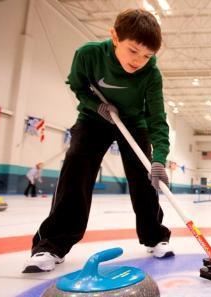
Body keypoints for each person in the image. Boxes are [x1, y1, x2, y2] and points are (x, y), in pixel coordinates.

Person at [23, 8, 173, 273]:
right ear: (115, 37)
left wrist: (159, 158)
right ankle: (52, 244)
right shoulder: (88, 54)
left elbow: (157, 120)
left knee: (144, 177)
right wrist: (95, 105)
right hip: (93, 119)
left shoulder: (151, 74)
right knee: (76, 167)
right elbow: (77, 85)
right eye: (133, 50)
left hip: (134, 123)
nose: (139, 60)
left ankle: (155, 236)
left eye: (148, 55)